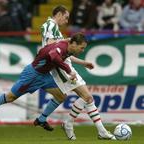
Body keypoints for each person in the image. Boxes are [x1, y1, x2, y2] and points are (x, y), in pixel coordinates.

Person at [34, 5, 116, 140]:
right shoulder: (50, 25)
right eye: (66, 18)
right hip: (62, 69)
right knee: (87, 97)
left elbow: (63, 52)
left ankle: (70, 124)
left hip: (66, 66)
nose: (66, 21)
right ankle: (90, 128)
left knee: (87, 98)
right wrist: (65, 42)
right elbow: (51, 48)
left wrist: (83, 63)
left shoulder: (55, 29)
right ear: (59, 14)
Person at [0, 32, 86, 127]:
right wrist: (69, 70)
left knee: (61, 96)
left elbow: (60, 48)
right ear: (74, 44)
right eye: (81, 47)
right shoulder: (61, 47)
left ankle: (41, 119)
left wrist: (83, 63)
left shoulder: (68, 46)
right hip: (32, 74)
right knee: (10, 97)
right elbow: (54, 56)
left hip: (45, 75)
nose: (82, 50)